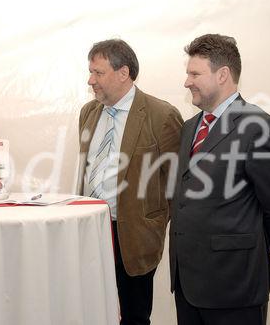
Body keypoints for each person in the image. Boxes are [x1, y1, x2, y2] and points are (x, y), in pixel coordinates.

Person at [169, 34, 270, 324]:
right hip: (188, 285)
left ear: (222, 75)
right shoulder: (190, 127)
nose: (187, 82)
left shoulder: (259, 127)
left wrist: (245, 243)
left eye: (194, 74)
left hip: (235, 285)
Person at [77, 39, 183, 325]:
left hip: (134, 236)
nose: (91, 80)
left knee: (134, 316)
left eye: (98, 73)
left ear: (123, 73)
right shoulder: (88, 112)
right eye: (90, 72)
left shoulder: (162, 115)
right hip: (90, 229)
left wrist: (154, 223)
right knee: (94, 311)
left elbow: (177, 184)